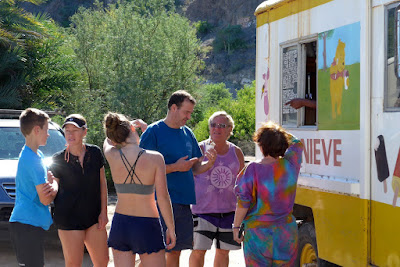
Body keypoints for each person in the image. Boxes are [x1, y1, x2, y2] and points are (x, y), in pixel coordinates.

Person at [140, 90, 212, 267]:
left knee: (175, 252)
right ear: (173, 108)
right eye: (186, 112)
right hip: (159, 203)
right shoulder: (153, 132)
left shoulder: (188, 133)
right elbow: (142, 169)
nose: (188, 117)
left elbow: (194, 169)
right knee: (155, 254)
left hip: (183, 203)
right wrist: (174, 167)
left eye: (190, 113)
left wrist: (209, 164)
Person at [103, 112, 176, 266]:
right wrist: (171, 228)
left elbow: (108, 141)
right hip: (147, 223)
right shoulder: (155, 158)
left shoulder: (111, 154)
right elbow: (162, 197)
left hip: (121, 223)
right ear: (132, 128)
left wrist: (120, 131)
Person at [233, 121, 303, 266]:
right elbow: (297, 143)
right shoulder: (291, 164)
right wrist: (279, 134)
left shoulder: (252, 169)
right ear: (283, 144)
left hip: (258, 234)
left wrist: (236, 227)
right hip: (286, 232)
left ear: (261, 144)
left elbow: (243, 202)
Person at [50, 114, 109, 267]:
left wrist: (104, 212)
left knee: (103, 261)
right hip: (68, 219)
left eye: (74, 130)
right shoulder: (58, 159)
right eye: (67, 130)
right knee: (74, 264)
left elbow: (102, 183)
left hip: (94, 217)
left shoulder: (95, 153)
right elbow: (54, 187)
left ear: (84, 132)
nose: (70, 134)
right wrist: (50, 188)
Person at [189, 111, 245, 267]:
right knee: (198, 250)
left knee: (223, 252)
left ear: (229, 130)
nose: (217, 129)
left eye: (222, 125)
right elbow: (190, 172)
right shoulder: (199, 148)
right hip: (202, 212)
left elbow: (243, 183)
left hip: (229, 212)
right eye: (213, 125)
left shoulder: (236, 152)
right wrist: (208, 163)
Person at [9, 108, 59, 266]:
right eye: (46, 129)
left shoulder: (36, 155)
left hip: (27, 224)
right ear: (37, 130)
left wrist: (49, 185)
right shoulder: (34, 159)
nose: (48, 134)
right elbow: (45, 199)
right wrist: (55, 185)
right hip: (26, 225)